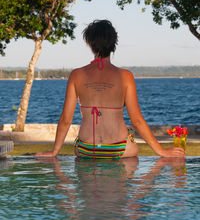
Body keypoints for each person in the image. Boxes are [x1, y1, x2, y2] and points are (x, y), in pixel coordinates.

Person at [35, 20, 185, 158]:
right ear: (114, 43)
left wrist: (55, 151)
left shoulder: (76, 75)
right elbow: (137, 120)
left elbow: (65, 120)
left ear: (89, 43)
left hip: (86, 149)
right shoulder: (125, 76)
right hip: (120, 148)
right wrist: (162, 151)